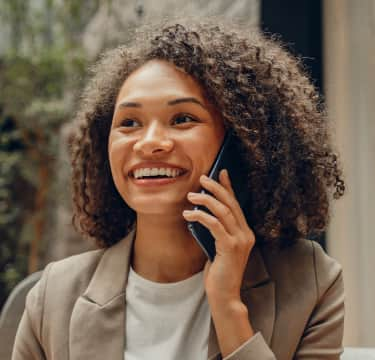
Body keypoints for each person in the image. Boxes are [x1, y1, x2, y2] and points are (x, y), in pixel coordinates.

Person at [12, 18, 346, 360]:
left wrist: (229, 308)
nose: (150, 143)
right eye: (129, 123)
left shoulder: (310, 283)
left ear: (243, 143)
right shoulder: (54, 296)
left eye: (182, 118)